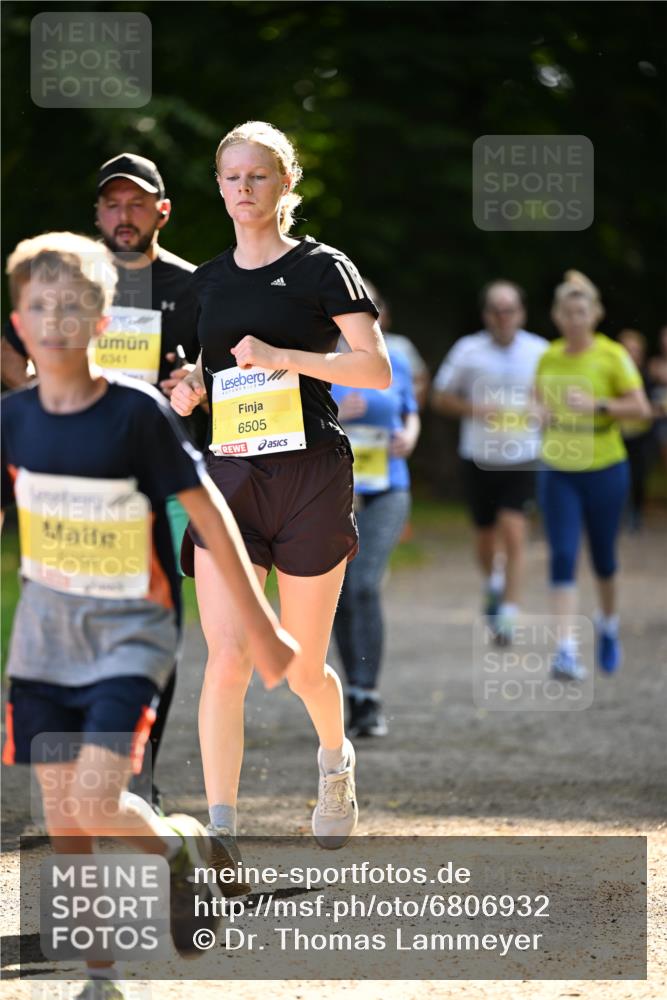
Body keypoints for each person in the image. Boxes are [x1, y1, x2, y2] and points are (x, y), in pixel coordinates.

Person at [1, 232, 298, 997]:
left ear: (103, 322)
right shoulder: (13, 420)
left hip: (130, 631)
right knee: (67, 817)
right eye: (40, 305)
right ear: (18, 320)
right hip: (44, 638)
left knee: (96, 797)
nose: (55, 319)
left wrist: (262, 628)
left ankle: (176, 857)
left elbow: (209, 515)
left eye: (73, 306)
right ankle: (107, 970)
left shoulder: (136, 415)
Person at [171, 120, 390, 855]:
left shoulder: (324, 267)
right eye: (230, 177)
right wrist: (191, 390)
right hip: (229, 477)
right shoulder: (204, 283)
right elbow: (208, 375)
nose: (242, 189)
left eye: (257, 176)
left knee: (298, 664)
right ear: (218, 186)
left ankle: (334, 762)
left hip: (307, 478)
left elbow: (372, 368)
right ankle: (221, 830)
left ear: (285, 183)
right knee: (227, 657)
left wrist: (284, 357)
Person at [1, 153, 206, 814]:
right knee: (65, 606)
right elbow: (14, 349)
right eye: (113, 205)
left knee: (152, 604)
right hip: (72, 475)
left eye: (137, 204)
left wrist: (195, 391)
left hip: (160, 478)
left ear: (161, 212)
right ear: (97, 215)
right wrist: (41, 392)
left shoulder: (192, 286)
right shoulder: (68, 279)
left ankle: (131, 769)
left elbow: (225, 372)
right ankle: (90, 779)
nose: (124, 216)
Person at [535, 271, 652, 679]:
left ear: (595, 314)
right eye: (567, 312)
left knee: (603, 558)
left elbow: (641, 409)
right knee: (563, 555)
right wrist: (539, 413)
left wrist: (598, 405)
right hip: (557, 467)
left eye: (581, 311)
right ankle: (565, 649)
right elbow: (537, 401)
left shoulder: (612, 355)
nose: (574, 319)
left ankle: (607, 624)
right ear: (557, 316)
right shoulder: (548, 356)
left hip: (605, 467)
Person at [431, 281, 547, 644]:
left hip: (523, 455)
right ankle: (493, 583)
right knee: (484, 537)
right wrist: (475, 409)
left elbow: (552, 402)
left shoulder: (540, 351)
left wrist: (541, 411)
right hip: (479, 457)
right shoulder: (468, 351)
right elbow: (439, 397)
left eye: (510, 309)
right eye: (496, 310)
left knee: (514, 530)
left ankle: (509, 615)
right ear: (486, 315)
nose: (503, 316)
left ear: (521, 313)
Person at [331, 345, 420, 736]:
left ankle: (368, 691)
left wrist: (411, 437)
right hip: (334, 491)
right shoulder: (318, 360)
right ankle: (355, 691)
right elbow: (292, 422)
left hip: (388, 488)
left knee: (365, 584)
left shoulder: (393, 359)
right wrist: (335, 415)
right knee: (341, 591)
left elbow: (410, 410)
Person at [618, 329, 655, 531]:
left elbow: (651, 406)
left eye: (635, 350)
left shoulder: (645, 376)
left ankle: (636, 513)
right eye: (627, 350)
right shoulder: (615, 374)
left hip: (641, 435)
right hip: (619, 434)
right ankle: (621, 512)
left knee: (638, 475)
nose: (631, 354)